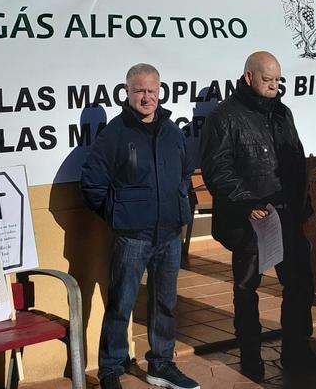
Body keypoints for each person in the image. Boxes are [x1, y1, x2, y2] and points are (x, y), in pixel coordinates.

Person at [200, 51, 316, 382]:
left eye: (277, 80)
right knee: (247, 287)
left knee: (299, 283)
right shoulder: (224, 116)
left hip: (287, 213)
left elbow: (295, 159)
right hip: (250, 217)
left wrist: (305, 199)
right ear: (249, 78)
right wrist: (246, 201)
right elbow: (217, 169)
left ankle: (297, 350)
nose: (274, 86)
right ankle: (250, 354)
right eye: (267, 80)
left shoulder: (283, 112)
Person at [81, 63, 199, 389]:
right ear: (127, 92)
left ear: (159, 92)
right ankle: (111, 368)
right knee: (122, 302)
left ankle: (161, 364)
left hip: (170, 234)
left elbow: (185, 173)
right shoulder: (115, 134)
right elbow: (92, 184)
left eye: (151, 91)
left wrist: (180, 206)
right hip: (132, 236)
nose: (146, 98)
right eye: (139, 91)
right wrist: (118, 214)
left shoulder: (173, 131)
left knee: (165, 302)